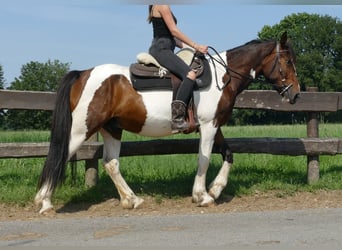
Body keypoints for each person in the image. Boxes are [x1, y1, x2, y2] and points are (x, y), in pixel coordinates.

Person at [147, 5, 208, 132]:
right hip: (162, 49)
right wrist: (196, 45)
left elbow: (172, 38)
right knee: (190, 74)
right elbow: (174, 31)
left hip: (164, 47)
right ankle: (177, 118)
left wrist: (191, 49)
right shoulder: (162, 5)